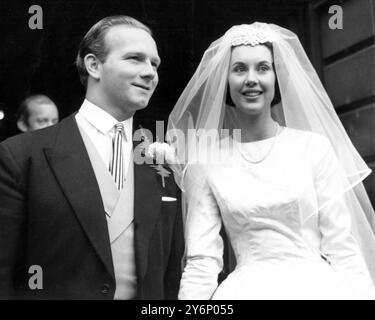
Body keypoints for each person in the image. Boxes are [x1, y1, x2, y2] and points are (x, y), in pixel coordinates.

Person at [167, 22, 375, 299]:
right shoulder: (205, 162)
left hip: (318, 288)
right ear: (224, 80)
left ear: (276, 77)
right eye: (239, 68)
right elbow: (202, 260)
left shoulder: (313, 148)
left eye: (263, 68)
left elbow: (342, 247)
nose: (251, 79)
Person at [0, 15, 184, 300]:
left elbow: (171, 274)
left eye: (154, 63)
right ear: (93, 65)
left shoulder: (161, 164)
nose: (150, 72)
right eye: (135, 58)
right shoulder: (21, 156)